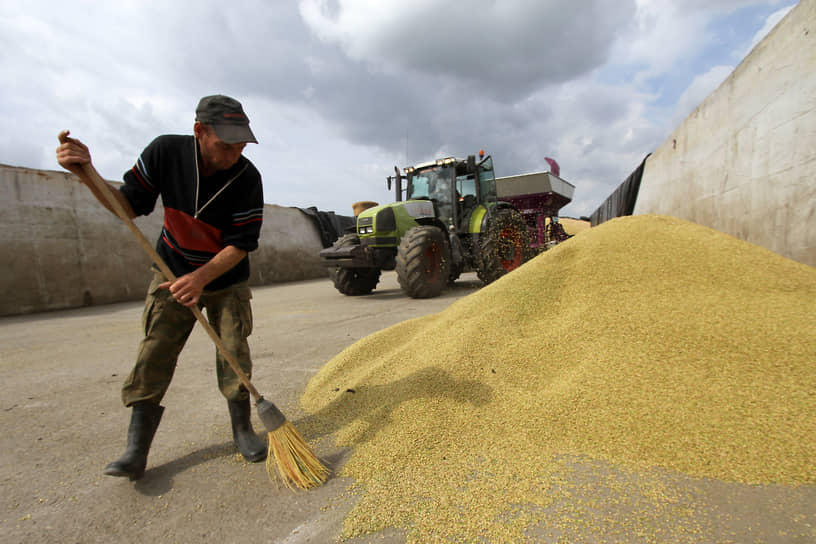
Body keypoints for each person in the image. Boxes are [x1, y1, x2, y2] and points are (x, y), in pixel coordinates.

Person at [56, 95, 267, 481]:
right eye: (226, 146)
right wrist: (86, 172)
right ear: (199, 131)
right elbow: (127, 205)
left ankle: (243, 430)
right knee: (155, 349)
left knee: (234, 352)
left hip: (225, 280)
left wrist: (202, 278)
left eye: (241, 146)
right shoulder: (165, 152)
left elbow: (241, 244)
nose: (234, 155)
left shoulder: (247, 178)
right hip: (171, 271)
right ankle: (136, 450)